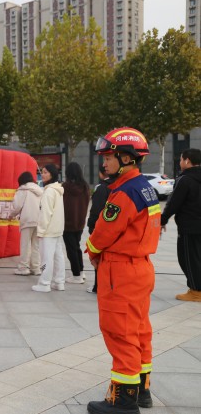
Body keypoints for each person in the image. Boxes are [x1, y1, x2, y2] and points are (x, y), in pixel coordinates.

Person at [85, 127, 160, 413]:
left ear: (126, 158)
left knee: (119, 333)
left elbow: (103, 233)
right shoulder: (145, 188)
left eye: (108, 157)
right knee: (139, 329)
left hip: (121, 271)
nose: (104, 162)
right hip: (141, 267)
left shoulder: (124, 192)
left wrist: (92, 251)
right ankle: (142, 389)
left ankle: (123, 401)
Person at [160, 148, 201, 302]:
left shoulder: (185, 179)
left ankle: (196, 291)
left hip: (189, 227)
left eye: (181, 159)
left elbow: (173, 203)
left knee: (188, 259)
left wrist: (162, 220)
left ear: (187, 161)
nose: (180, 162)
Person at [31, 164, 66, 292]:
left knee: (46, 258)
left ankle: (44, 283)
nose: (42, 174)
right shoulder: (58, 189)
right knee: (58, 256)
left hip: (48, 230)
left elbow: (45, 213)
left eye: (45, 172)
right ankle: (59, 282)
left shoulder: (49, 191)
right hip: (57, 229)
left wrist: (41, 230)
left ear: (52, 174)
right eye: (42, 172)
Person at [86, 164, 114, 294]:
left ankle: (98, 286)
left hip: (101, 229)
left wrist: (91, 226)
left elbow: (96, 210)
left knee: (98, 258)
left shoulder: (102, 188)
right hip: (114, 230)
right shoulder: (121, 186)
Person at [9, 171, 43, 276]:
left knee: (25, 245)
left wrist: (11, 215)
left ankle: (23, 268)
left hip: (27, 220)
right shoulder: (39, 190)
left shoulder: (22, 190)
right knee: (36, 246)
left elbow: (17, 206)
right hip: (39, 220)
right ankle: (36, 268)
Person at [62, 162, 90, 284]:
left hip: (67, 223)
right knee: (77, 248)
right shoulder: (85, 187)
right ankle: (81, 272)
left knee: (71, 250)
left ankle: (76, 275)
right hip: (80, 223)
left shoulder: (65, 187)